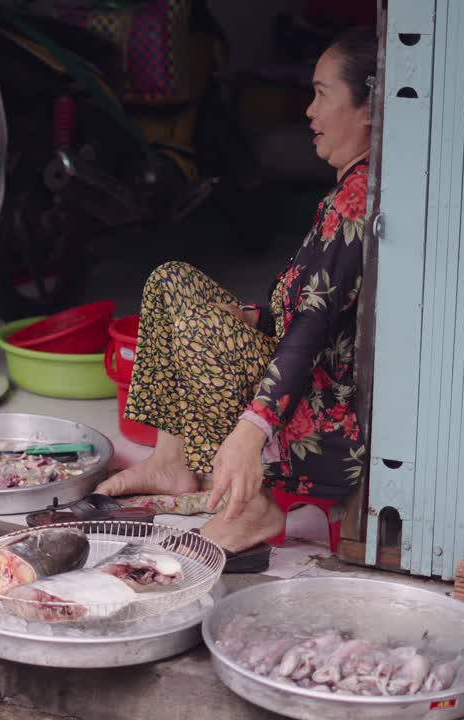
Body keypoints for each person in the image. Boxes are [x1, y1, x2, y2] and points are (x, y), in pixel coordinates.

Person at [96, 26, 377, 572]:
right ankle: (171, 463)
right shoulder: (349, 190)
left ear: (367, 110)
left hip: (323, 426)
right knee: (171, 279)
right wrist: (259, 314)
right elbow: (321, 310)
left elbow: (313, 330)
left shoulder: (355, 205)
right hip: (305, 384)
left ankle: (256, 505)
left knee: (201, 333)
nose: (309, 111)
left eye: (322, 94)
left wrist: (253, 431)